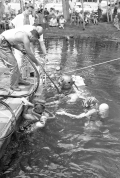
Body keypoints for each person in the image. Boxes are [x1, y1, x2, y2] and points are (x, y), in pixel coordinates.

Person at [0, 26, 43, 91]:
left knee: (15, 64)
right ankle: (13, 86)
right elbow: (30, 53)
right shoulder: (25, 38)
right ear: (32, 36)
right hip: (2, 43)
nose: (32, 42)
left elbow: (12, 41)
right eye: (34, 40)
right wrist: (37, 62)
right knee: (13, 66)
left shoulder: (25, 34)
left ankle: (18, 80)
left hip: (5, 41)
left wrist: (20, 49)